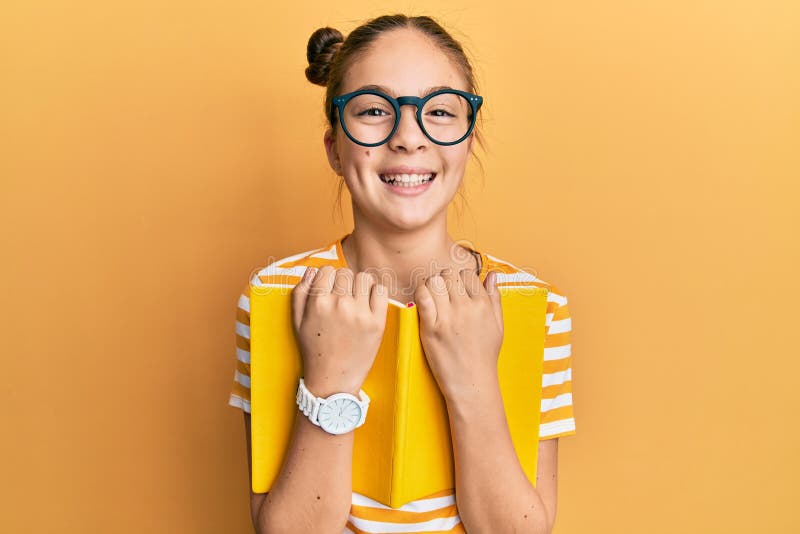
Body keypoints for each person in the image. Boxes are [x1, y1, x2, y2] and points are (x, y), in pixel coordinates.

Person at [228, 13, 576, 534]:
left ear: (468, 140)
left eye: (438, 111)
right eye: (373, 110)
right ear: (334, 148)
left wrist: (473, 376)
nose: (408, 138)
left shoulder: (533, 306)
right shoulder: (276, 298)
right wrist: (329, 381)